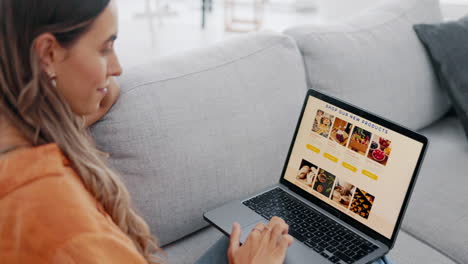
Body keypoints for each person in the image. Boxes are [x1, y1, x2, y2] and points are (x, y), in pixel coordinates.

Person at [0, 0, 393, 263]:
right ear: (48, 55)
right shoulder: (68, 231)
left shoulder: (23, 124)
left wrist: (91, 82)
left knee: (269, 234)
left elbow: (102, 94)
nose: (117, 67)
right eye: (105, 48)